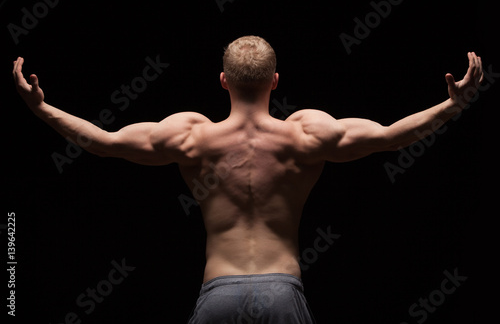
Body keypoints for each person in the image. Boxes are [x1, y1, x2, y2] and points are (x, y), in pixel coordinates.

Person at [13, 36, 483, 323]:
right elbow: (388, 137)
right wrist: (452, 105)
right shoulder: (306, 134)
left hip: (219, 292)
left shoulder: (192, 136)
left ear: (223, 80)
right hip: (282, 292)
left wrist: (40, 107)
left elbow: (103, 141)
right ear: (276, 81)